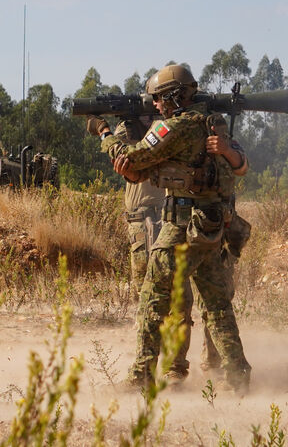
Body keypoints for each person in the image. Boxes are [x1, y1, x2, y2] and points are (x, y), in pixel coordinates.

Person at [87, 64, 251, 394]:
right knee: (217, 305)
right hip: (212, 225)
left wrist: (104, 133)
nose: (156, 105)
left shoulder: (175, 127)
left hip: (183, 226)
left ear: (175, 97)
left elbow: (132, 157)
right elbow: (234, 167)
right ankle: (238, 376)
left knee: (152, 298)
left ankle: (142, 376)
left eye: (159, 99)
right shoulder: (211, 123)